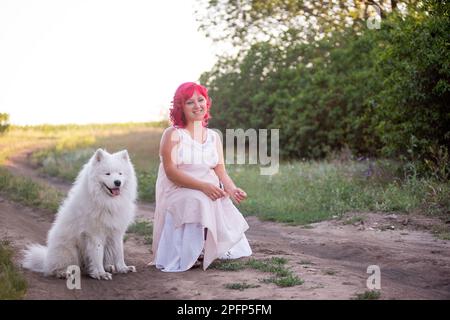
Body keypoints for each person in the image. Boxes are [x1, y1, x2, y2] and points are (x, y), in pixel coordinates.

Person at [150, 82, 252, 272]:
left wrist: (231, 188)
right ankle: (193, 250)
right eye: (190, 102)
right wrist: (203, 186)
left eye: (201, 99)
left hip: (209, 187)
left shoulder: (213, 136)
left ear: (207, 103)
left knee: (218, 198)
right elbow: (171, 172)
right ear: (181, 107)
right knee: (199, 198)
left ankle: (208, 247)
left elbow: (220, 170)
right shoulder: (173, 134)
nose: (197, 105)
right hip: (179, 189)